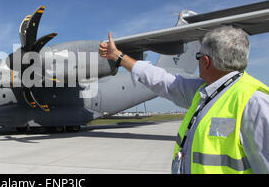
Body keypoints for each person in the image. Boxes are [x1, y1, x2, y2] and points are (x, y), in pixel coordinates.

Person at [99, 26, 269, 174]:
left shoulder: (255, 103)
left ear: (206, 61)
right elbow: (161, 80)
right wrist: (119, 57)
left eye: (198, 56)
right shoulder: (204, 92)